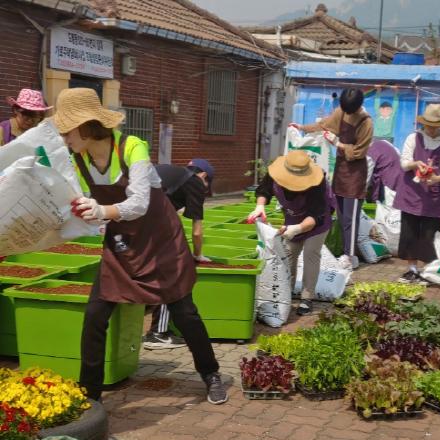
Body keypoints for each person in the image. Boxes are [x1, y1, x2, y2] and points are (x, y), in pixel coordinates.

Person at [54, 88, 227, 404]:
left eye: (67, 130)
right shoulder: (78, 158)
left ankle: (211, 373)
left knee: (184, 313)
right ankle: (90, 395)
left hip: (161, 241)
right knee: (95, 315)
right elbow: (79, 201)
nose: (63, 137)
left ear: (86, 126)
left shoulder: (132, 147)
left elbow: (139, 203)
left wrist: (101, 211)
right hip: (121, 244)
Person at [292, 88, 373, 271]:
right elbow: (324, 125)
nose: (347, 113)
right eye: (345, 109)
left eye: (350, 110)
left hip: (356, 173)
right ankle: (346, 253)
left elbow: (360, 152)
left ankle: (350, 256)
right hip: (341, 170)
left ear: (358, 106)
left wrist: (338, 143)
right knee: (341, 216)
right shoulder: (341, 112)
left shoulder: (366, 122)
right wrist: (302, 128)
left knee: (351, 218)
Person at [247, 151, 333, 315]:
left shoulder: (317, 182)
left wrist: (297, 229)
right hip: (292, 220)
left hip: (316, 223)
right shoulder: (274, 174)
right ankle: (286, 291)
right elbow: (263, 191)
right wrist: (260, 206)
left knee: (311, 253)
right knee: (288, 254)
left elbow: (317, 215)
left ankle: (307, 298)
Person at [142, 159, 215, 350]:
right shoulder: (195, 182)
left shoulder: (172, 173)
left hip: (132, 220)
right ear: (204, 176)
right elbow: (197, 232)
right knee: (171, 273)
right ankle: (158, 333)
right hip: (151, 224)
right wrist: (198, 255)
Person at [393, 103, 440, 284]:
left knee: (431, 234)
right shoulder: (413, 138)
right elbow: (404, 163)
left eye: (435, 126)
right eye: (429, 125)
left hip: (434, 194)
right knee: (410, 231)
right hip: (411, 192)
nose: (431, 129)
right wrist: (416, 164)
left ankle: (428, 272)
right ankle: (412, 269)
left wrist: (437, 178)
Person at [367, 139, 402, 205]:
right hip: (399, 183)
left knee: (385, 208)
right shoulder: (385, 143)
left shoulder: (371, 151)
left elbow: (366, 175)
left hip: (387, 186)